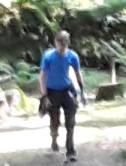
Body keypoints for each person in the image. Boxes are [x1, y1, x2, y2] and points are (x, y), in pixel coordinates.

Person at [39, 29, 86, 162]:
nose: (62, 45)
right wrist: (44, 96)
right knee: (54, 121)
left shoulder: (72, 56)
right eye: (59, 42)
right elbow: (42, 77)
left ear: (68, 42)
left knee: (70, 122)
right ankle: (54, 138)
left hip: (67, 90)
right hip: (52, 92)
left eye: (64, 42)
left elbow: (78, 73)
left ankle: (70, 150)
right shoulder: (48, 57)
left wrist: (82, 91)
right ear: (55, 42)